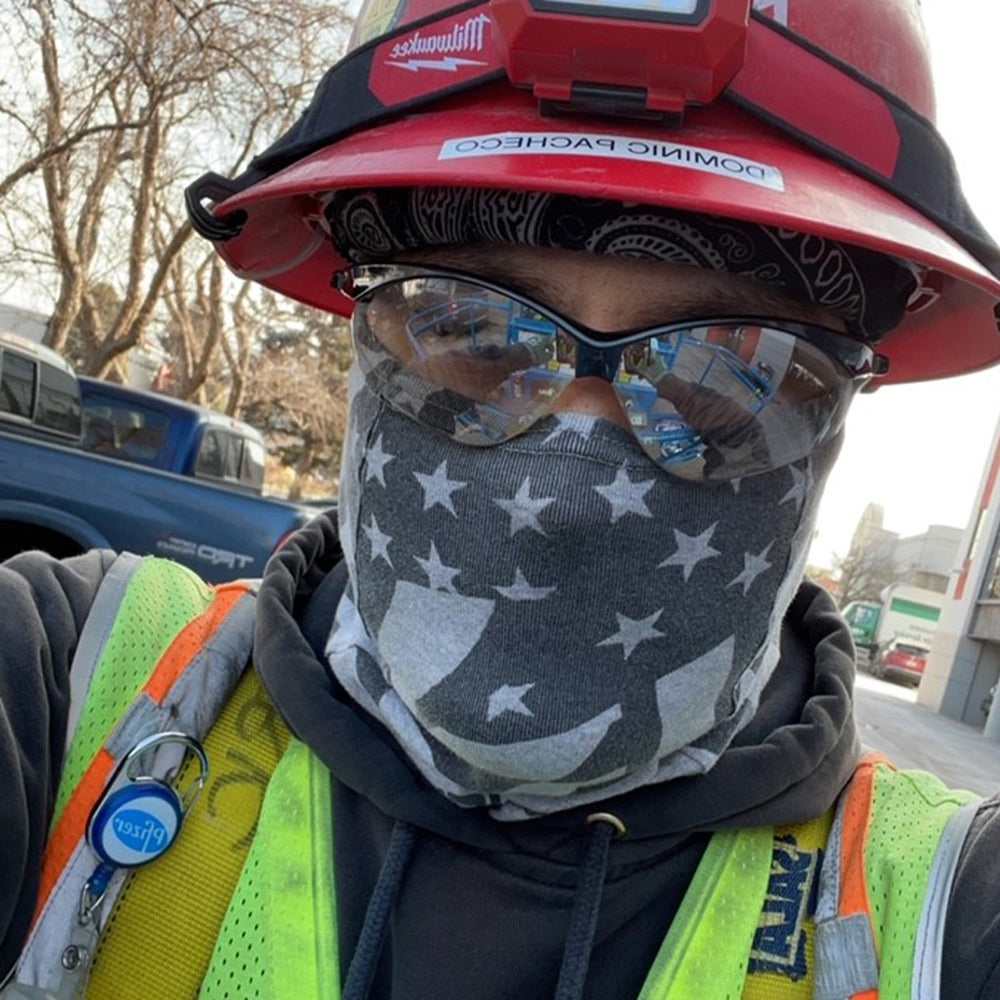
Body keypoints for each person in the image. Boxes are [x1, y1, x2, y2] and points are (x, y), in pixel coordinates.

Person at [2, 0, 1000, 998]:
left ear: (837, 407)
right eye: (471, 332)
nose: (568, 496)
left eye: (722, 372)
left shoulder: (947, 912)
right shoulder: (71, 675)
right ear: (364, 337)